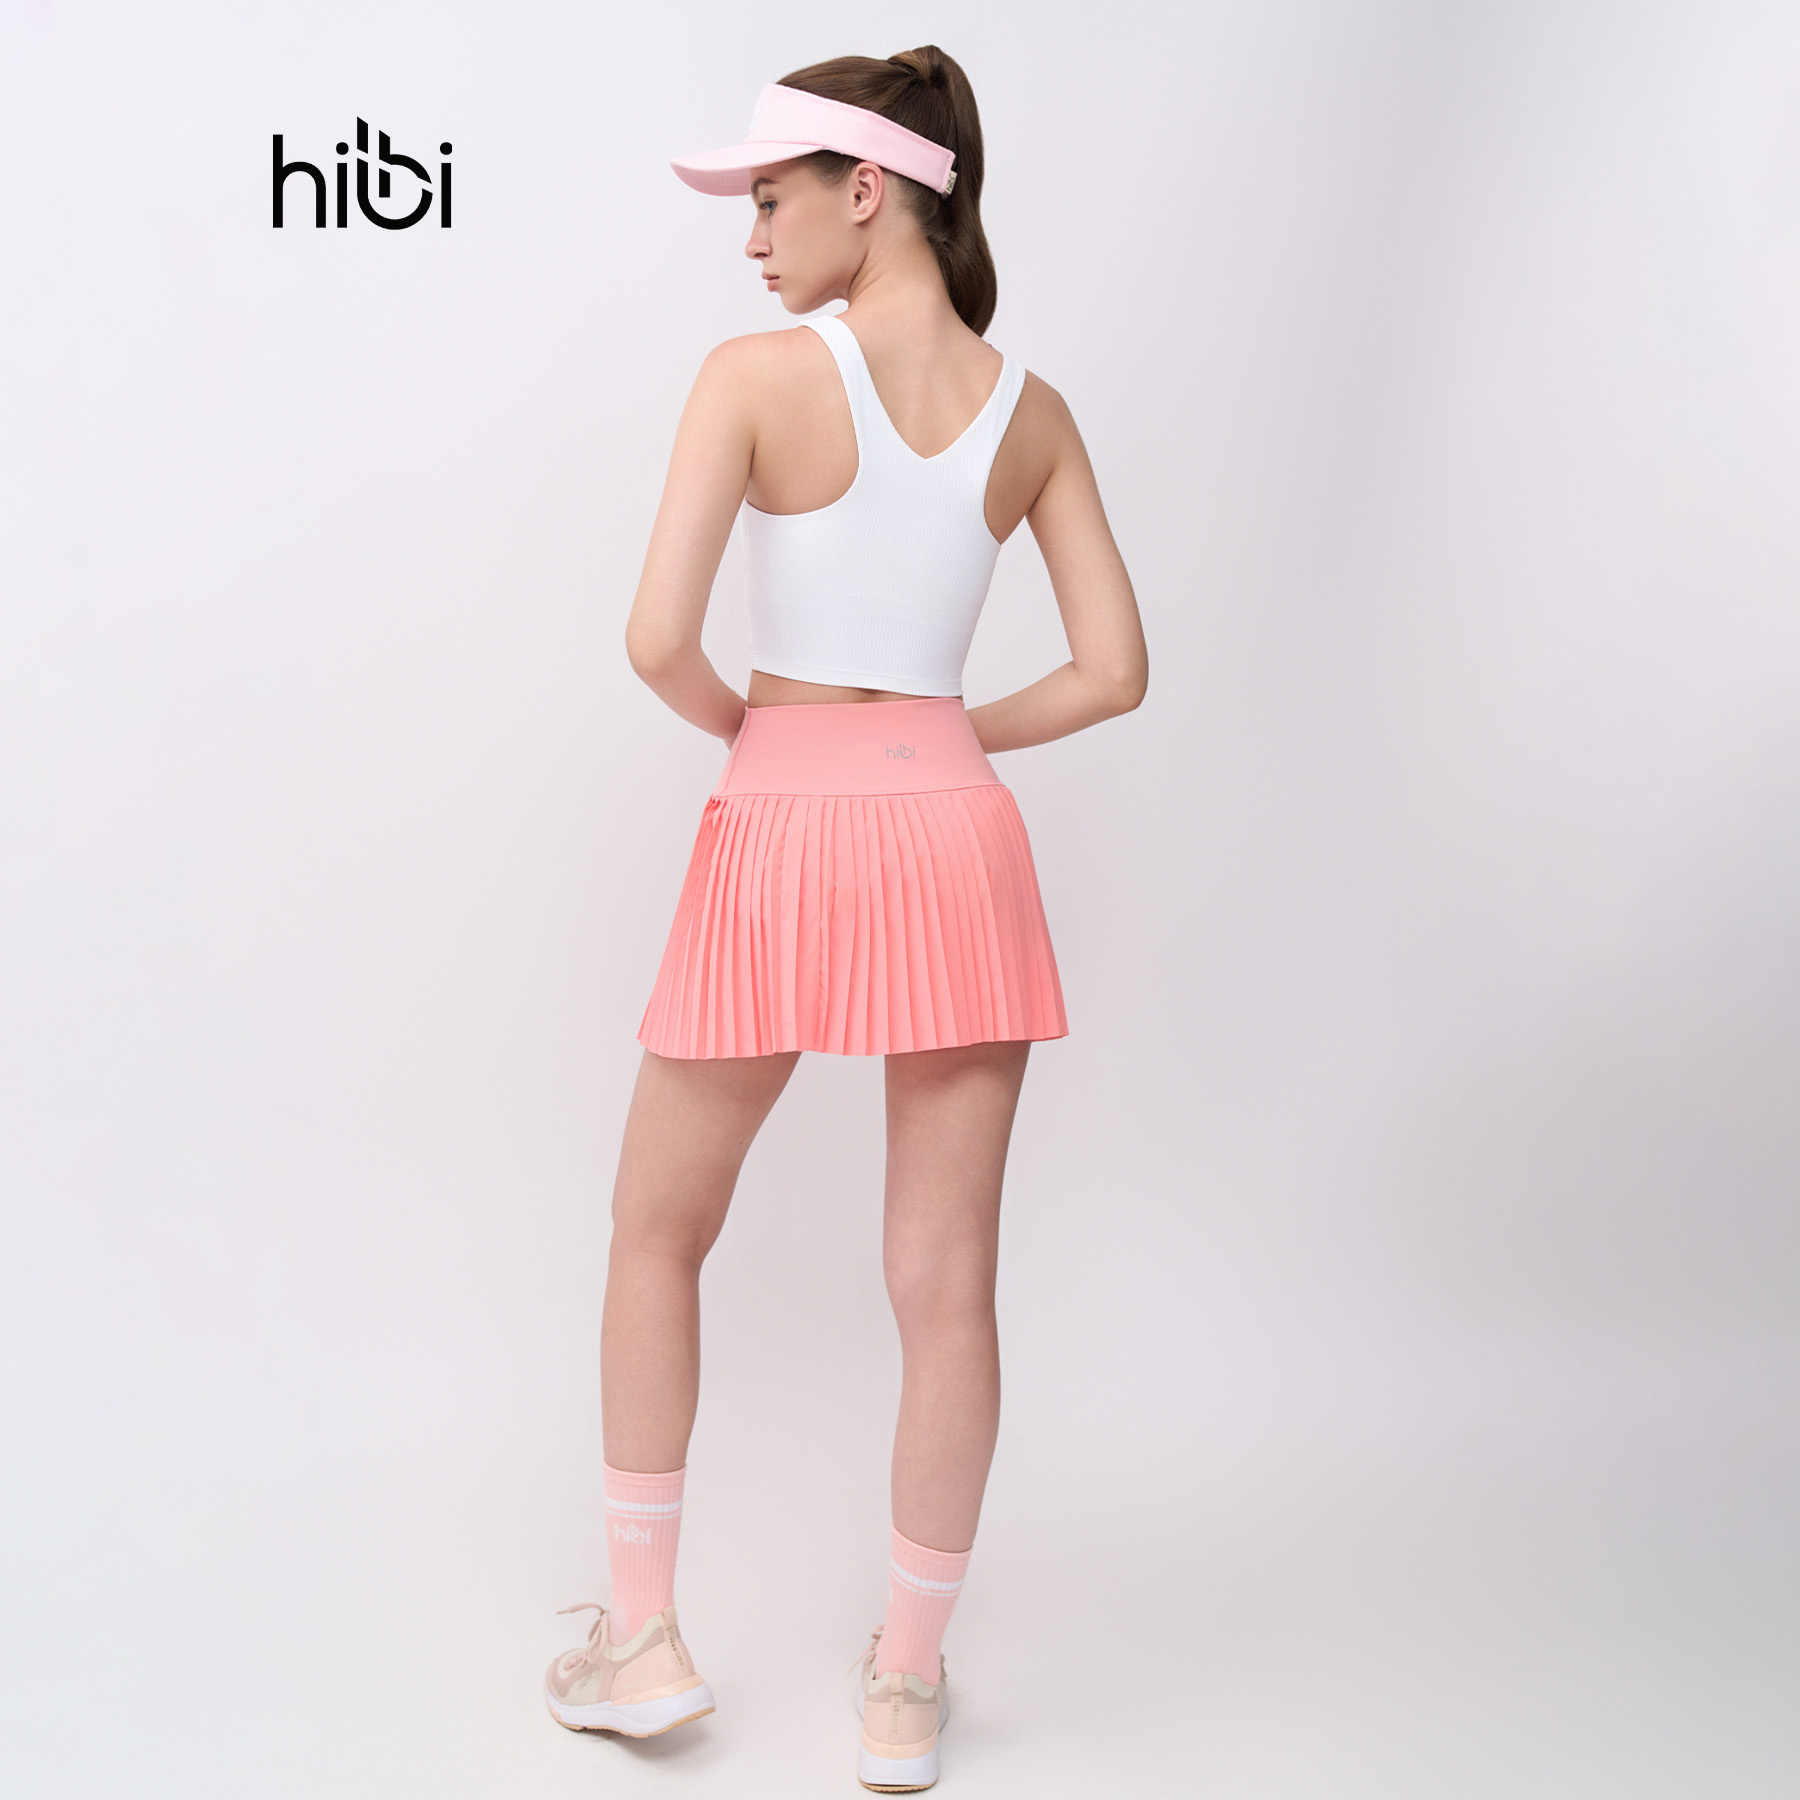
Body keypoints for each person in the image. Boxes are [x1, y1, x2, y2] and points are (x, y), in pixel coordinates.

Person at [543, 46, 1146, 1793]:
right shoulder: (1034, 411)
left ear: (866, 190)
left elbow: (657, 642)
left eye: (768, 199)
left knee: (656, 1229)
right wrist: (944, 741)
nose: (751, 239)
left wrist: (767, 736)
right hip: (959, 840)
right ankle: (905, 1688)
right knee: (948, 1287)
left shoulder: (753, 379)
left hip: (781, 825)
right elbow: (1114, 671)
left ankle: (641, 1639)